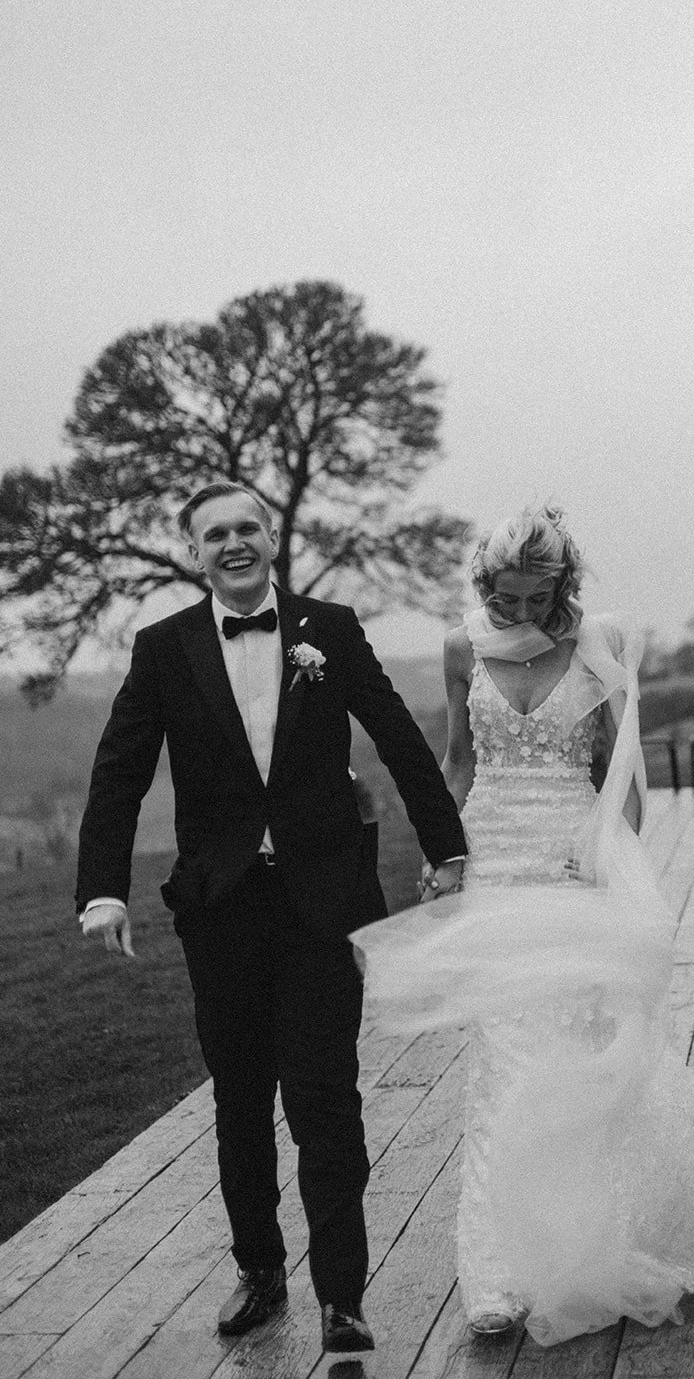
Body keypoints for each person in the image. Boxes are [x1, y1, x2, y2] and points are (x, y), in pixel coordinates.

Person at [75, 481, 466, 1359]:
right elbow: (119, 772)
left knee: (324, 1096)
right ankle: (259, 1268)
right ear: (196, 552)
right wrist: (102, 889)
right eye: (216, 534)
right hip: (220, 916)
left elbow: (398, 734)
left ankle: (342, 1297)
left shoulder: (328, 627)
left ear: (269, 538)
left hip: (324, 907)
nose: (236, 543)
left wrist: (447, 846)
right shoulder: (162, 649)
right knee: (241, 1101)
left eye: (248, 526)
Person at [353, 506, 694, 1347]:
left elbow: (624, 777)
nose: (523, 617)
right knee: (503, 1058)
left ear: (562, 589)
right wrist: (445, 848)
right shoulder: (461, 648)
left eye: (538, 601)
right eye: (508, 600)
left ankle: (599, 1242)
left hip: (571, 862)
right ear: (484, 587)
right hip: (494, 858)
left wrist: (603, 851)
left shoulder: (595, 649)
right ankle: (500, 1272)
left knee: (575, 1048)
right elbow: (459, 758)